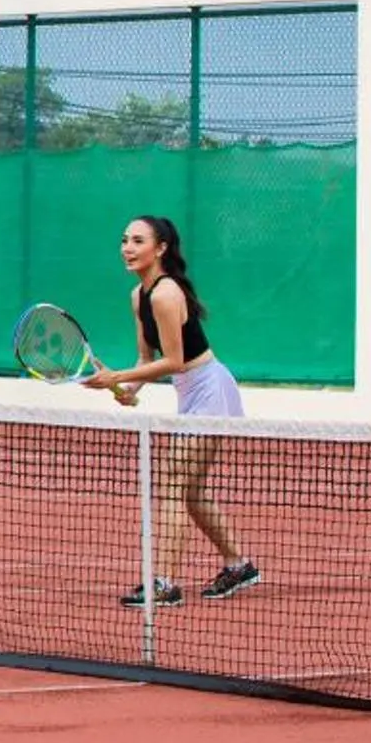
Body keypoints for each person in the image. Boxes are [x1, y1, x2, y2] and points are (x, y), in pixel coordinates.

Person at [86, 214, 259, 606]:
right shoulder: (138, 296)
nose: (127, 248)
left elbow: (176, 360)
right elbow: (147, 357)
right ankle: (239, 565)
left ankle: (163, 583)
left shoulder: (166, 294)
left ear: (161, 248)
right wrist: (124, 388)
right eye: (125, 239)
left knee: (173, 482)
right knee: (191, 490)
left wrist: (120, 375)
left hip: (210, 389)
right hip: (189, 391)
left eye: (138, 241)